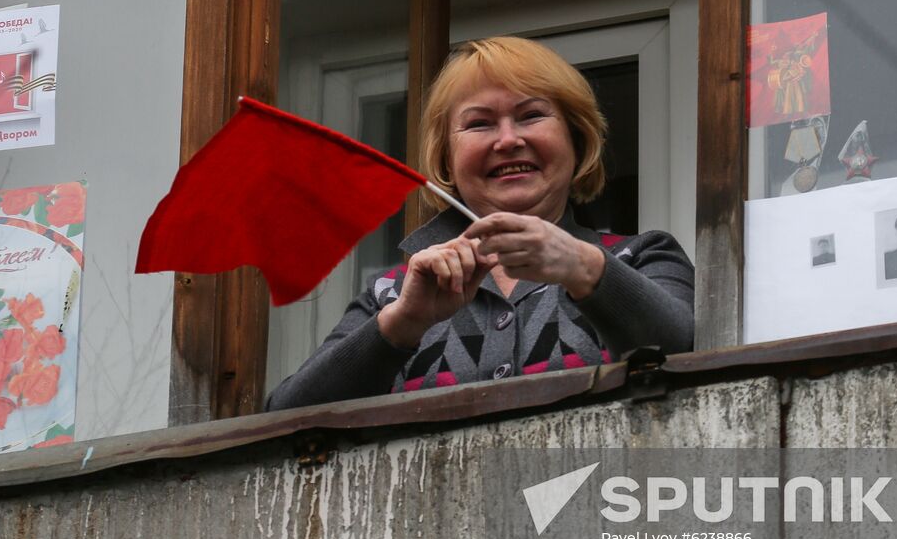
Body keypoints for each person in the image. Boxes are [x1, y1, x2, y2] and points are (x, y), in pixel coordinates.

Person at [265, 36, 694, 411]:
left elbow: (688, 355)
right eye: (479, 124)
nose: (508, 140)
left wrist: (582, 267)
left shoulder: (641, 256)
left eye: (531, 116)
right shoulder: (392, 293)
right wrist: (403, 325)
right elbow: (288, 417)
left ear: (576, 140)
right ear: (447, 160)